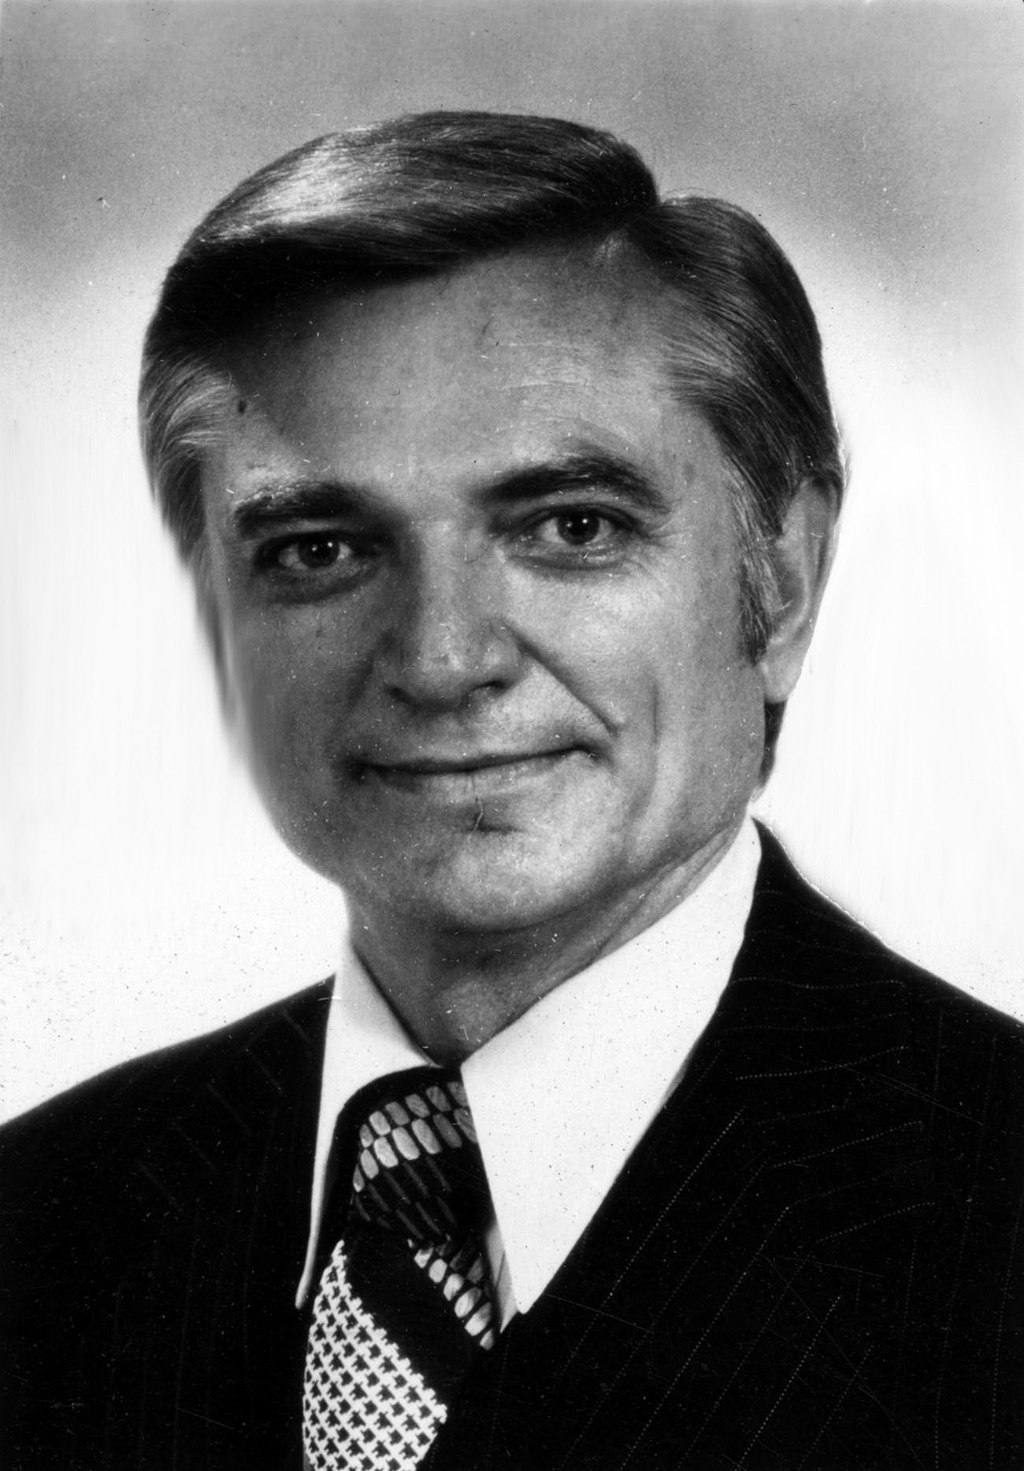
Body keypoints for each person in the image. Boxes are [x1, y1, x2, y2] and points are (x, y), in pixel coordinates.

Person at [2, 112, 1021, 1471]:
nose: (444, 660)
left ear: (780, 581)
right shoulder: (38, 1220)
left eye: (570, 529)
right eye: (319, 549)